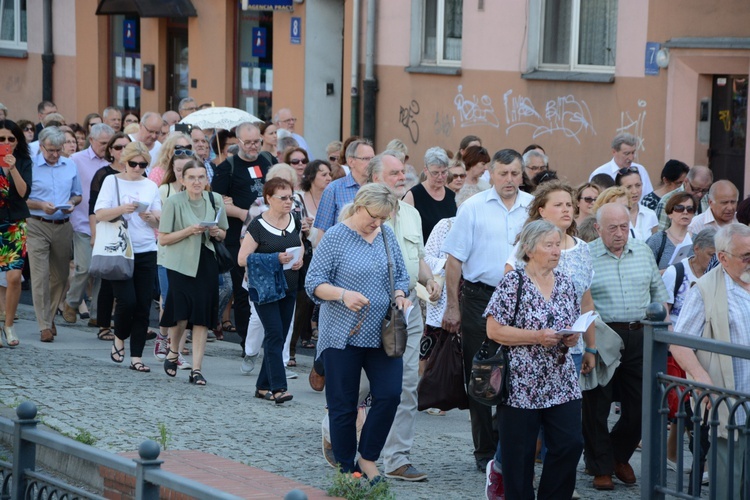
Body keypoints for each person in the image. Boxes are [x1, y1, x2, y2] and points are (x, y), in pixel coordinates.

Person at [305, 183, 410, 480]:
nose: (377, 223)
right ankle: (345, 466)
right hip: (342, 334)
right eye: (374, 216)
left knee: (389, 395)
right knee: (344, 404)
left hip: (383, 334)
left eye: (383, 218)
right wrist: (342, 295)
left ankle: (368, 456)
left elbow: (400, 274)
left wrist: (401, 293)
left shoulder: (386, 236)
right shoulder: (337, 237)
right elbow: (313, 283)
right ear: (359, 205)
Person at [442, 149, 533, 472]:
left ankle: (510, 442)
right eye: (504, 173)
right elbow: (454, 260)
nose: (510, 180)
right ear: (490, 175)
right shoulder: (473, 208)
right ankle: (485, 450)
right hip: (481, 298)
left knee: (518, 373)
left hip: (524, 300)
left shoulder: (532, 208)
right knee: (482, 372)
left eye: (515, 174)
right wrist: (452, 306)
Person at [484, 220, 584, 500]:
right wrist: (536, 336)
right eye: (548, 245)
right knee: (519, 456)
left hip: (560, 379)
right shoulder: (513, 281)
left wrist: (571, 337)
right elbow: (494, 330)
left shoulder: (565, 282)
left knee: (569, 445)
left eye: (557, 244)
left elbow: (571, 321)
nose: (556, 251)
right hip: (520, 383)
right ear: (528, 248)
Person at [584, 203, 669, 490]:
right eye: (612, 228)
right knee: (597, 403)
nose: (620, 233)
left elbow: (658, 292)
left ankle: (618, 454)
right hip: (604, 334)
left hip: (640, 331)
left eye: (624, 227)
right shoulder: (587, 255)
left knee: (642, 404)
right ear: (598, 229)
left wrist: (662, 326)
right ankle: (601, 467)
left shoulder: (642, 251)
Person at [368, 152, 440, 481]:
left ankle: (396, 457)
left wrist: (430, 279)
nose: (401, 177)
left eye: (403, 173)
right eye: (394, 173)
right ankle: (336, 431)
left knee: (408, 383)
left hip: (408, 306)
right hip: (369, 306)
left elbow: (419, 257)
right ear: (375, 179)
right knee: (361, 383)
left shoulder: (412, 214)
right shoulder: (361, 214)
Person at [670, 223, 750, 499]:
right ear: (724, 257)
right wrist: (700, 376)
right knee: (728, 482)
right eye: (747, 256)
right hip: (728, 402)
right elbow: (679, 341)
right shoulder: (705, 289)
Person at [506, 180, 596, 373]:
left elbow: (586, 302)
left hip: (572, 350)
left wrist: (591, 347)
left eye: (569, 205)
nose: (566, 210)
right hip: (532, 350)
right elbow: (509, 296)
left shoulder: (583, 249)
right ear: (542, 211)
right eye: (558, 205)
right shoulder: (527, 246)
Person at [159, 160, 228, 386]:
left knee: (201, 317)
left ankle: (196, 369)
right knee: (180, 314)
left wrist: (216, 232)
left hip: (206, 261)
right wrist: (190, 230)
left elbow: (224, 234)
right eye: (192, 177)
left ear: (206, 179)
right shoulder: (173, 202)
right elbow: (164, 238)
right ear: (182, 180)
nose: (197, 182)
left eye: (201, 177)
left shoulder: (215, 199)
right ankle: (173, 352)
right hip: (179, 264)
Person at [94, 142, 161, 372]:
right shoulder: (111, 181)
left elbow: (159, 220)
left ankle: (136, 357)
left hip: (145, 249)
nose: (138, 167)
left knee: (143, 306)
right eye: (134, 163)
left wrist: (150, 217)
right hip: (120, 250)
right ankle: (119, 337)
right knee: (127, 301)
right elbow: (100, 213)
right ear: (125, 161)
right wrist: (122, 209)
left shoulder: (151, 185)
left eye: (143, 165)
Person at [238, 177, 304, 402]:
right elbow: (242, 258)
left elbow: (300, 243)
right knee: (275, 334)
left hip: (290, 286)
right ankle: (278, 387)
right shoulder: (258, 224)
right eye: (283, 198)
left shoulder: (294, 218)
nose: (289, 202)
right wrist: (275, 258)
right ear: (268, 198)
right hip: (266, 289)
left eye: (291, 197)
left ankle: (261, 386)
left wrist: (300, 258)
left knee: (281, 335)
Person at [211, 122, 274, 355]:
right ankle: (247, 342)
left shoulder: (268, 161)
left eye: (257, 141)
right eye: (248, 142)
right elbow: (216, 203)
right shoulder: (227, 167)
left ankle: (268, 338)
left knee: (268, 288)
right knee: (243, 290)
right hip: (239, 237)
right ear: (238, 142)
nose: (253, 146)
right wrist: (243, 213)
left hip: (269, 234)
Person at [26, 127, 82, 342]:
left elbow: (78, 195)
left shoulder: (70, 164)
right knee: (40, 276)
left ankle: (49, 317)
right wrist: (40, 204)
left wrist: (70, 203)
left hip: (63, 224)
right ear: (41, 147)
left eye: (59, 150)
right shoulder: (29, 166)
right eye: (51, 150)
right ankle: (44, 326)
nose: (56, 154)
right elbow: (21, 199)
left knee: (59, 276)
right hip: (37, 223)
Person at [60, 123, 114, 325]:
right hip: (82, 222)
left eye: (110, 144)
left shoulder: (113, 162)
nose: (106, 147)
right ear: (91, 140)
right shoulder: (76, 160)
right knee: (85, 267)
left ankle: (97, 314)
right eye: (103, 143)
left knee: (102, 270)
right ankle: (72, 302)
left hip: (106, 224)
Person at [88, 132, 131, 340]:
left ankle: (128, 323)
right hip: (109, 231)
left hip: (132, 235)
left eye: (127, 147)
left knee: (132, 278)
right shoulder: (103, 174)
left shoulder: (140, 172)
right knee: (108, 279)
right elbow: (93, 208)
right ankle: (104, 324)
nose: (122, 151)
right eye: (118, 147)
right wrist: (94, 235)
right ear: (111, 151)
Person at [0, 120, 31, 347]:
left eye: (11, 139)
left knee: (13, 277)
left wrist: (12, 168)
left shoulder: (23, 161)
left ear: (17, 141)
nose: (6, 143)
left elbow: (23, 192)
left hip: (15, 224)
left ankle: (8, 325)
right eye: (2, 139)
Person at [313, 139, 374, 235]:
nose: (371, 163)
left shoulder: (377, 189)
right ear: (351, 161)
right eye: (366, 159)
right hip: (341, 248)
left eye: (372, 159)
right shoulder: (333, 189)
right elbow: (323, 232)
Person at [402, 146, 456, 243]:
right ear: (426, 170)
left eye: (444, 172)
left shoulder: (451, 195)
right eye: (435, 173)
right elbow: (403, 229)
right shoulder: (413, 195)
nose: (440, 177)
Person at [589, 133, 653, 200]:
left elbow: (648, 198)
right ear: (614, 152)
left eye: (633, 152)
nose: (631, 158)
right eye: (626, 153)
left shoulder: (641, 170)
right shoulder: (599, 173)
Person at [646, 192, 697, 269]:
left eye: (690, 209)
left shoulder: (698, 240)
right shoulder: (656, 240)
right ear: (670, 213)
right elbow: (647, 274)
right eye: (679, 208)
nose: (685, 212)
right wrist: (671, 272)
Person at [655, 165, 713, 230]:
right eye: (695, 189)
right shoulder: (667, 200)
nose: (700, 194)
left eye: (704, 190)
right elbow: (661, 234)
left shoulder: (709, 200)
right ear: (686, 182)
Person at [615, 166, 658, 240]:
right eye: (628, 187)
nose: (635, 191)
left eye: (638, 185)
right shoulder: (613, 215)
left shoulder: (650, 215)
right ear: (619, 189)